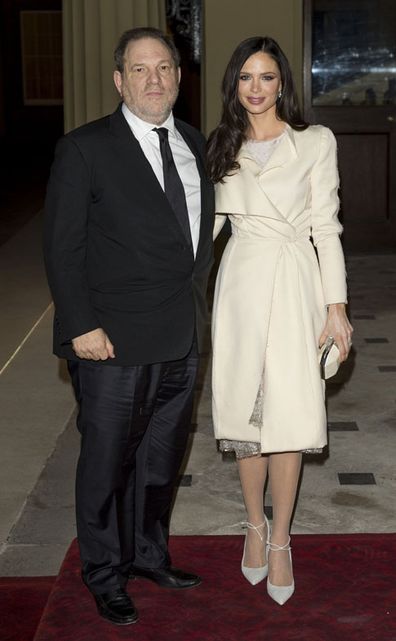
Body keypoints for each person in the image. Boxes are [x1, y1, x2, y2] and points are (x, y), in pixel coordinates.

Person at [44, 27, 214, 625]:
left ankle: (147, 554)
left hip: (180, 338)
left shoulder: (194, 143)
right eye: (140, 70)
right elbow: (62, 249)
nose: (154, 79)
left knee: (161, 461)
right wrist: (80, 325)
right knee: (106, 463)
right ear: (119, 80)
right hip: (110, 341)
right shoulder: (85, 148)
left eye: (164, 67)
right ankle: (104, 572)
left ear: (177, 77)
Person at [207, 36, 353, 606]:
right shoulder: (221, 144)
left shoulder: (314, 142)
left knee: (289, 410)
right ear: (234, 85)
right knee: (247, 408)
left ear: (283, 84)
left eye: (267, 77)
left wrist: (335, 307)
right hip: (242, 281)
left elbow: (327, 226)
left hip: (296, 281)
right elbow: (206, 231)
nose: (256, 88)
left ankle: (282, 539)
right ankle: (253, 524)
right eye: (245, 77)